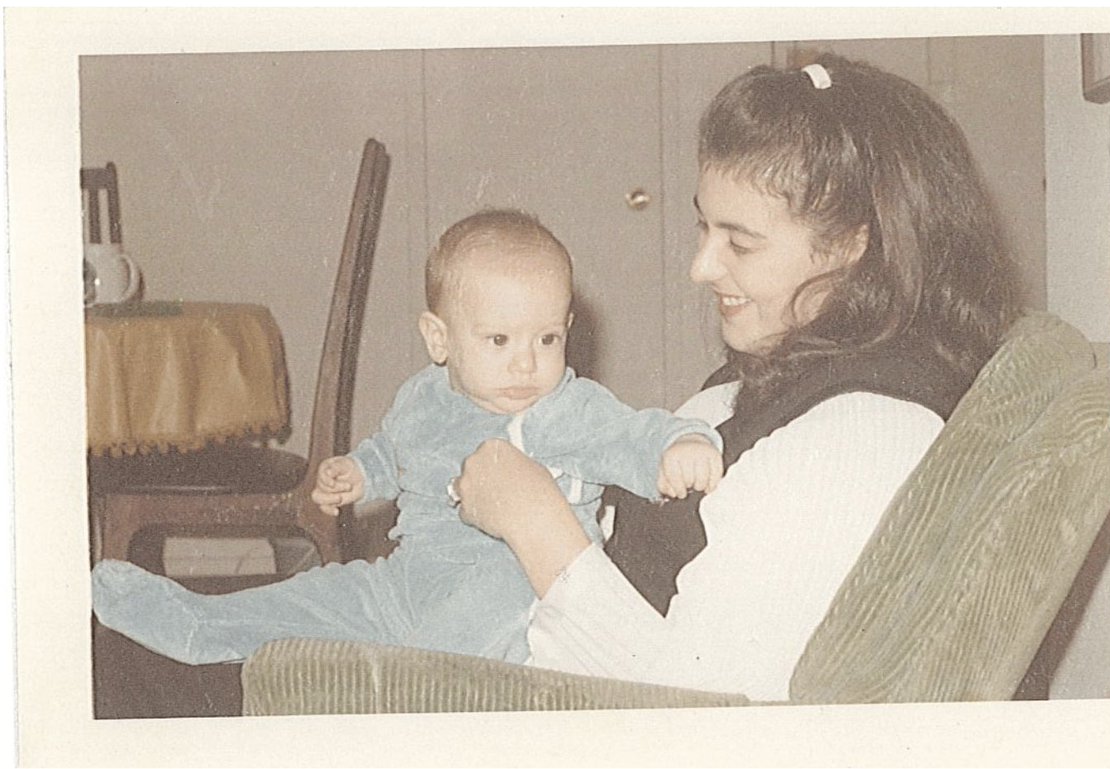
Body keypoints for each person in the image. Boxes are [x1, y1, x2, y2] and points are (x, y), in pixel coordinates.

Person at [453, 55, 1022, 701]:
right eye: (704, 225)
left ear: (850, 245)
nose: (701, 267)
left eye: (740, 242)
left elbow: (704, 711)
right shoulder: (794, 360)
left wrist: (533, 521)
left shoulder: (856, 439)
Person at [91, 209, 723, 666]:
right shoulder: (423, 396)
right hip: (407, 580)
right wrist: (361, 473)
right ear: (439, 338)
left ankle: (422, 700)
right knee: (318, 594)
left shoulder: (564, 408)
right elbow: (394, 451)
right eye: (499, 341)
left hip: (506, 590)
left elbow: (632, 433)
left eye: (547, 339)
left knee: (457, 638)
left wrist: (680, 445)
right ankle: (201, 622)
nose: (527, 364)